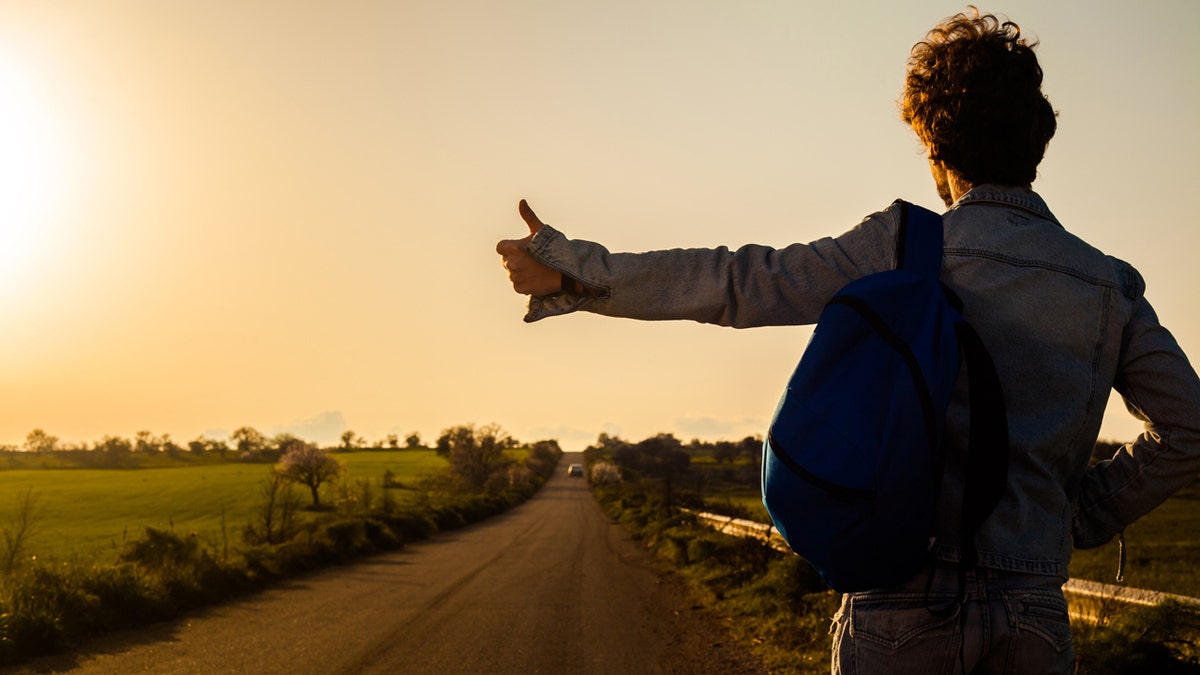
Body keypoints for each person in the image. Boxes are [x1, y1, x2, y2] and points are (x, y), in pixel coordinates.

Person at [495, 8, 1200, 674]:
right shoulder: (1108, 284)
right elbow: (1188, 427)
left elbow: (739, 282)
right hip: (1035, 612)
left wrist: (578, 270)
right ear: (1038, 140)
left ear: (934, 143)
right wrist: (1084, 512)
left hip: (900, 603)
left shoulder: (903, 243)